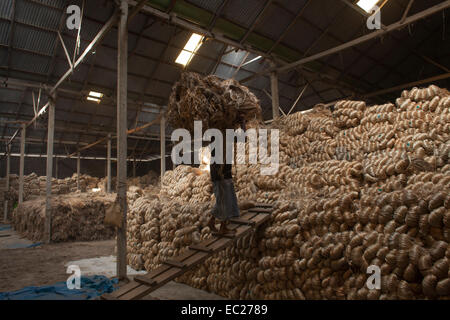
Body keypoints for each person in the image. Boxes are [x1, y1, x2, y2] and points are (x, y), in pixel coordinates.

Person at [207, 117, 246, 236]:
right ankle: (223, 227)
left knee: (225, 199)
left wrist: (242, 124)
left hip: (225, 171)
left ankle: (212, 221)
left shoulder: (224, 134)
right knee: (224, 200)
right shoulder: (218, 135)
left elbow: (243, 138)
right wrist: (242, 124)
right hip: (220, 173)